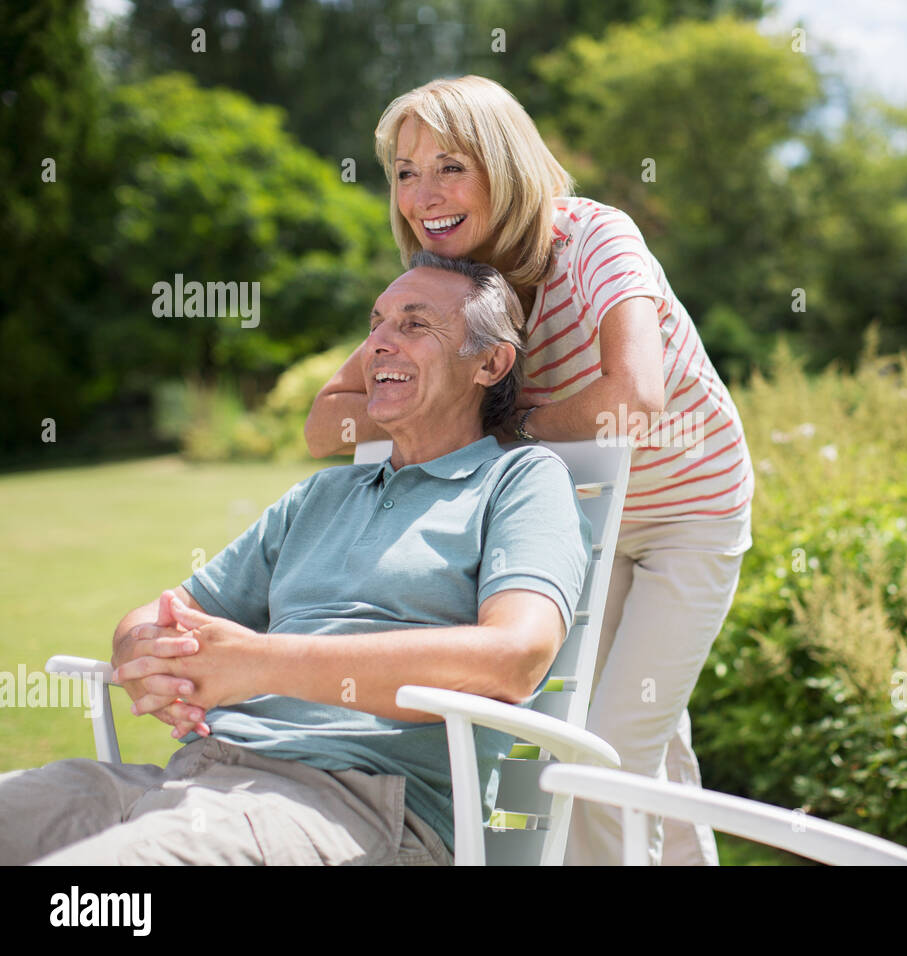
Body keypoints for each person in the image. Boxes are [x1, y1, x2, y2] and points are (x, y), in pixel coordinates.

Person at [0, 254, 591, 865]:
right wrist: (145, 653)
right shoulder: (323, 494)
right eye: (376, 324)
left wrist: (258, 664)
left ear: (490, 363)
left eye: (414, 326)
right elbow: (165, 612)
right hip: (190, 781)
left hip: (352, 807)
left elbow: (514, 658)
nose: (378, 346)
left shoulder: (519, 481)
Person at [305, 75, 754, 866]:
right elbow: (324, 424)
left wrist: (482, 421)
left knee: (596, 760)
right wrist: (412, 400)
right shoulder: (454, 287)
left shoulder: (597, 239)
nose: (422, 194)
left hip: (690, 510)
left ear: (504, 164)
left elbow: (633, 399)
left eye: (449, 166)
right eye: (406, 172)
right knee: (641, 739)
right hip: (588, 517)